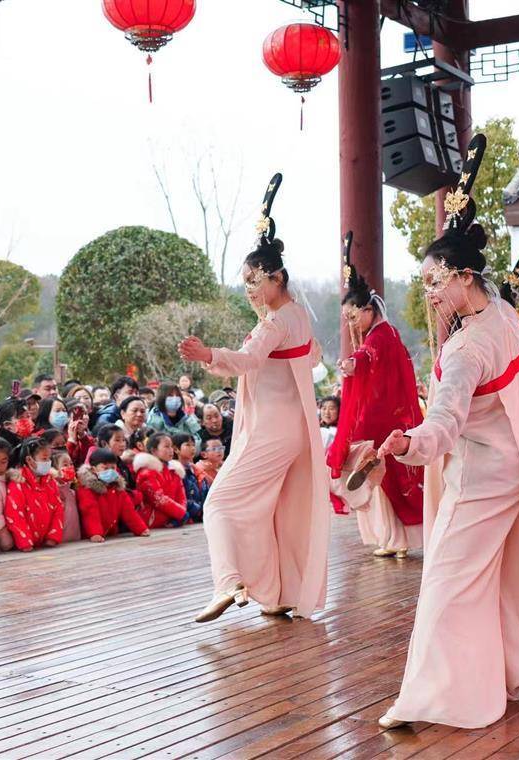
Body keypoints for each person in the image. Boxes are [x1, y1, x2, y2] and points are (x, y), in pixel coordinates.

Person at [374, 142, 519, 730]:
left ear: (460, 276)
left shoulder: (465, 348)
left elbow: (446, 422)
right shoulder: (500, 315)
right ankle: (499, 673)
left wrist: (410, 445)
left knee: (448, 582)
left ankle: (439, 696)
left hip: (480, 478)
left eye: (433, 281)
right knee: (496, 578)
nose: (428, 292)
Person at [178, 173, 330, 622]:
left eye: (253, 280)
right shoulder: (298, 316)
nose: (248, 289)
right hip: (291, 430)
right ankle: (273, 590)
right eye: (244, 281)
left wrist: (208, 354)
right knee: (265, 509)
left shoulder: (276, 321)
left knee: (220, 502)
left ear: (277, 277)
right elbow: (312, 356)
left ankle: (228, 581)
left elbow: (248, 360)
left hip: (270, 431)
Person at [328, 233, 425, 558]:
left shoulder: (380, 337)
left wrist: (354, 363)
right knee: (385, 477)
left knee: (381, 476)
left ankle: (395, 539)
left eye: (354, 315)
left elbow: (369, 356)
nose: (351, 322)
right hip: (388, 414)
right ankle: (394, 539)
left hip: (384, 417)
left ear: (369, 309)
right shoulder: (385, 332)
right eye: (347, 318)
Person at [3, 437, 65, 552]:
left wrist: (53, 537)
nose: (48, 463)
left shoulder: (50, 481)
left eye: (49, 459)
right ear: (29, 460)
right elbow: (15, 515)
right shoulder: (18, 482)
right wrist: (25, 542)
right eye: (44, 459)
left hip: (48, 545)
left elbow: (58, 508)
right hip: (26, 548)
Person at [76, 448, 149, 543]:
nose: (110, 471)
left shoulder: (117, 488)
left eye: (113, 468)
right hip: (90, 537)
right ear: (94, 469)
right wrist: (95, 533)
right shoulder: (86, 489)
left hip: (111, 535)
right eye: (105, 468)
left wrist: (140, 529)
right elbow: (90, 512)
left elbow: (128, 511)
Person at [132, 433, 188, 529]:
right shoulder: (146, 472)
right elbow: (158, 499)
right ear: (154, 450)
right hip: (152, 521)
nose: (171, 450)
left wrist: (181, 512)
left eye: (171, 446)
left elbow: (181, 496)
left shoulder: (174, 470)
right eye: (166, 446)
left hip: (172, 519)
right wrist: (181, 513)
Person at [171, 433, 207, 524]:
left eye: (193, 445)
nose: (193, 448)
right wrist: (198, 510)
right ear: (176, 449)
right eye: (188, 445)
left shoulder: (196, 471)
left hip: (198, 518)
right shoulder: (173, 471)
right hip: (184, 519)